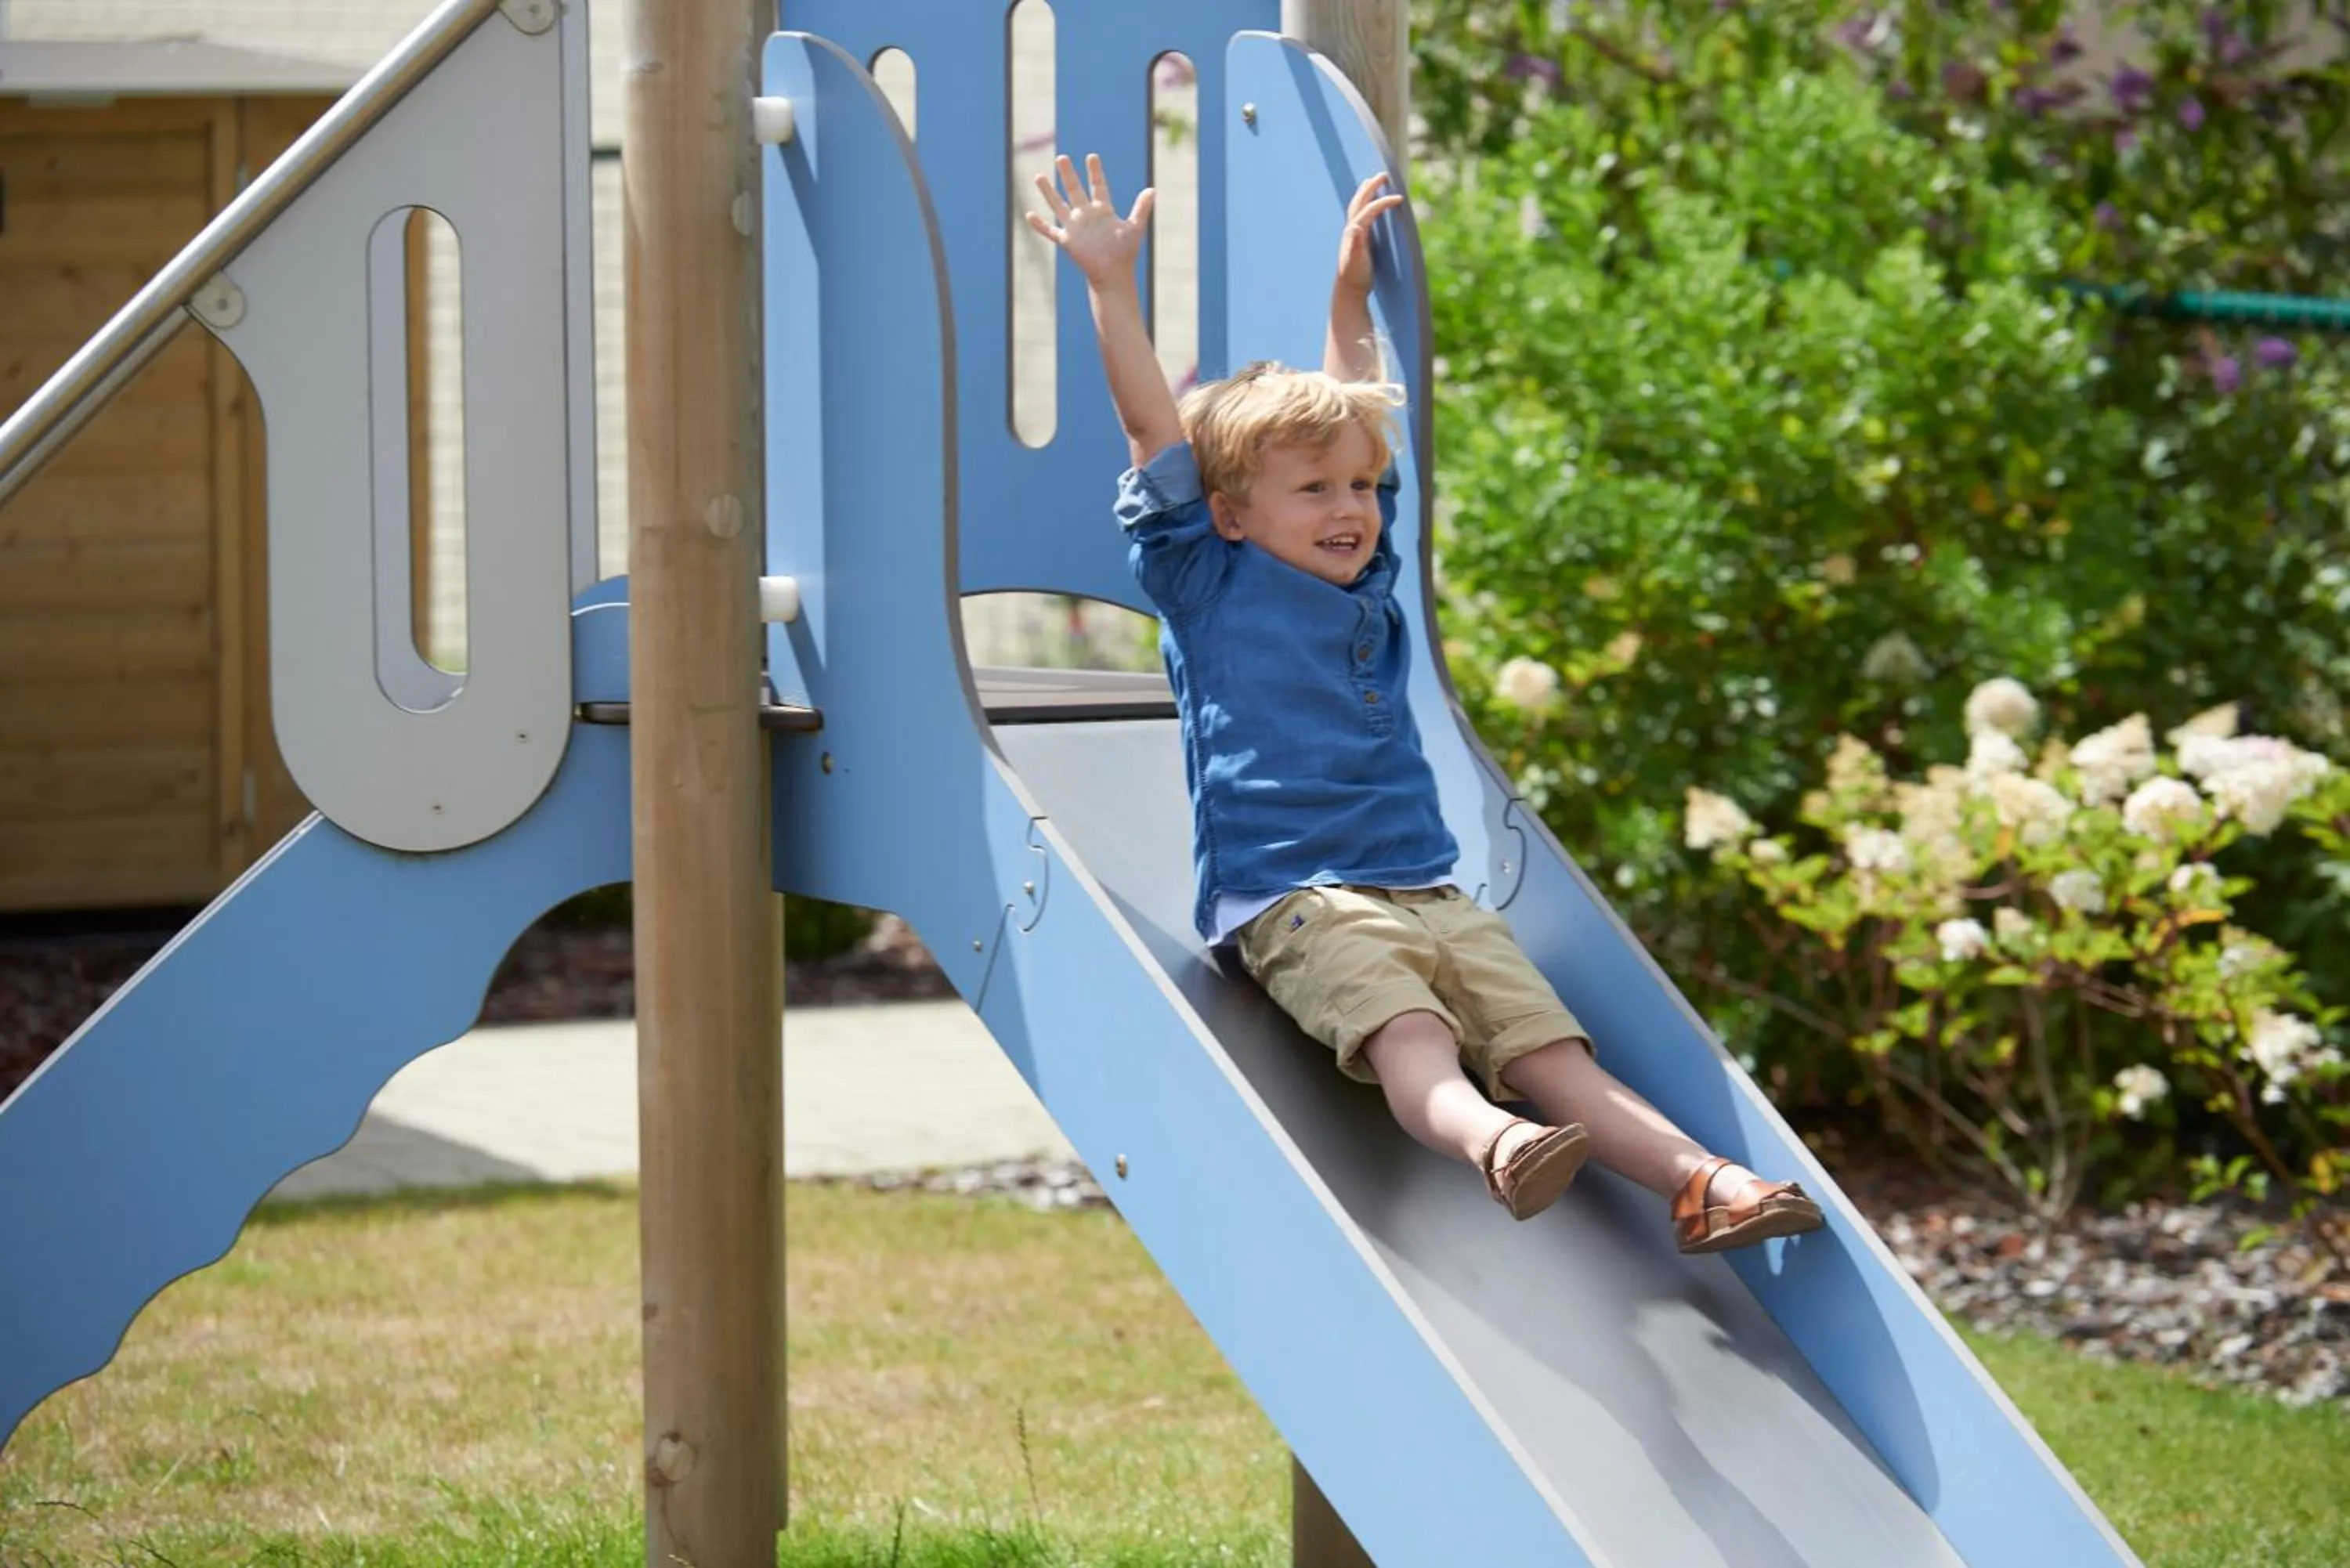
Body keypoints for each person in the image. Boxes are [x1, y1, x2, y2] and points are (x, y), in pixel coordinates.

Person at [1027, 153, 1823, 1250]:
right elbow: (1150, 433)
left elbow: (1363, 413)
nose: (1351, 506)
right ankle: (1493, 1142)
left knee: (1554, 1048)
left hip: (1431, 888)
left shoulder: (1368, 579)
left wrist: (1348, 300)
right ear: (1229, 514)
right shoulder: (1207, 579)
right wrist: (1111, 288)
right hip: (1297, 895)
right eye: (1314, 490)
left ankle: (1704, 1181)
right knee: (1410, 1033)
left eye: (1357, 486)